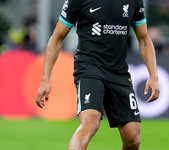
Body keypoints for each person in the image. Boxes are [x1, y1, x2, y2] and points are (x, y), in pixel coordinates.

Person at [35, 0, 160, 149]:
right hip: (89, 68)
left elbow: (144, 39)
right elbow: (57, 38)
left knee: (133, 139)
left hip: (119, 73)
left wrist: (153, 75)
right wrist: (45, 79)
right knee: (90, 124)